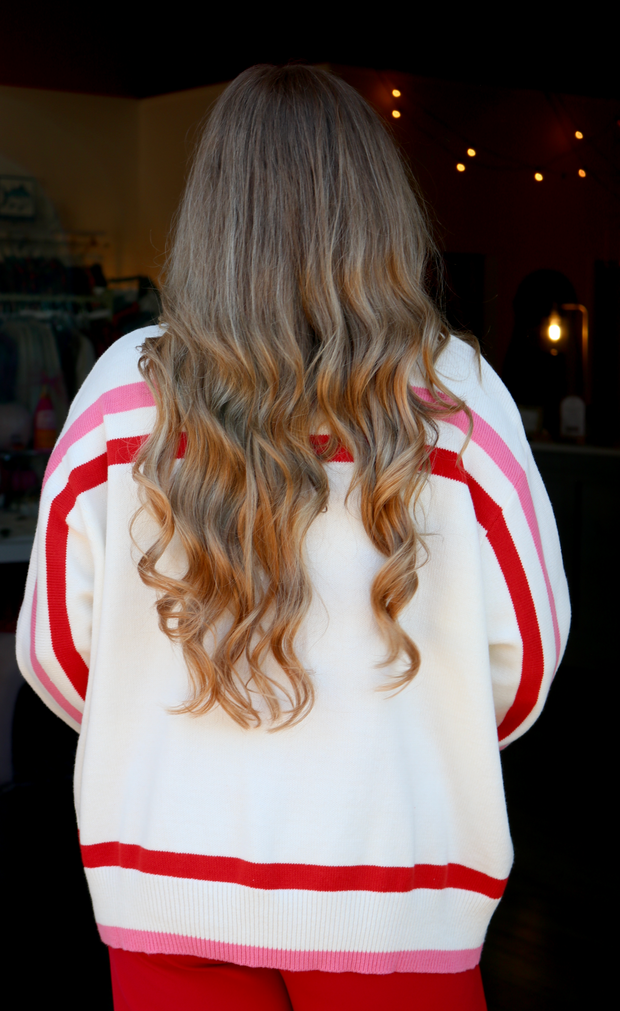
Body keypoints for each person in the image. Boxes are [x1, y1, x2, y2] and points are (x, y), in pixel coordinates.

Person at [16, 64, 570, 1010]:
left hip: (166, 881)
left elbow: (57, 657)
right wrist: (410, 726)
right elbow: (525, 659)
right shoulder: (460, 397)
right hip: (399, 892)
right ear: (379, 210)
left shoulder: (118, 392)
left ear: (212, 214)